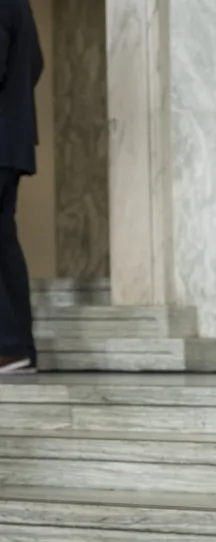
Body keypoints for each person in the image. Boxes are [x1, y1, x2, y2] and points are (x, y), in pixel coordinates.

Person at [0, 0, 42, 374]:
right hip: (12, 145)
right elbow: (35, 65)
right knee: (4, 243)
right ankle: (19, 350)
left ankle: (9, 347)